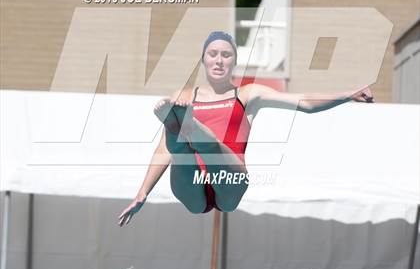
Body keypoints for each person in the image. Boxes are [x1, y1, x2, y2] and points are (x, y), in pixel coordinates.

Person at [119, 31, 374, 224]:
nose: (219, 60)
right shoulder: (184, 94)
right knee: (177, 149)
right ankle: (184, 129)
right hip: (191, 183)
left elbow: (304, 103)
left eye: (226, 55)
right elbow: (162, 150)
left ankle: (190, 128)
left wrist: (348, 95)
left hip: (230, 177)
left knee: (204, 142)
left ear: (234, 62)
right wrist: (142, 193)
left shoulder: (248, 94)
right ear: (204, 60)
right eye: (213, 54)